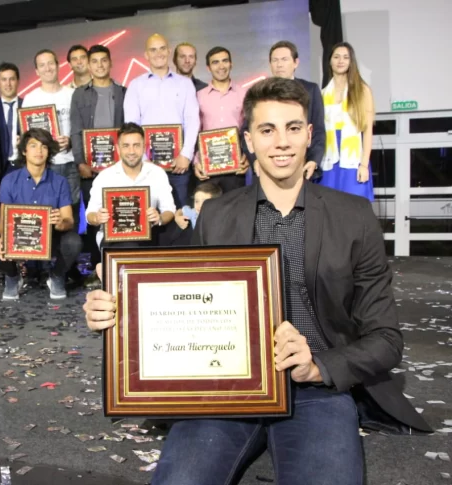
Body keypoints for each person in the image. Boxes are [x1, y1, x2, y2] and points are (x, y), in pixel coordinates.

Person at [84, 77, 431, 485]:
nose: (281, 141)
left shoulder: (354, 217)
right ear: (248, 140)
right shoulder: (217, 216)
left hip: (317, 390)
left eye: (293, 128)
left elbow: (386, 340)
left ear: (308, 136)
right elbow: (186, 306)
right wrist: (118, 312)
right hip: (225, 389)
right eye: (267, 130)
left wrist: (319, 366)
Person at [0, 128, 82, 300]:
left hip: (51, 237)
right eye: (33, 146)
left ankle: (57, 275)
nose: (39, 151)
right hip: (19, 239)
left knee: (73, 242)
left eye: (44, 146)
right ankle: (13, 277)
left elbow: (69, 220)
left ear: (49, 151)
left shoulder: (59, 181)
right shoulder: (9, 180)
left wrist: (60, 222)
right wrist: (3, 238)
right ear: (24, 150)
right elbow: (3, 221)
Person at [70, 44, 126, 287]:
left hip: (120, 167)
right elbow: (75, 130)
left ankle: (122, 264)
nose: (100, 65)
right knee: (94, 219)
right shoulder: (79, 94)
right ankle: (96, 267)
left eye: (104, 60)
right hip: (90, 169)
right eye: (95, 61)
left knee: (121, 215)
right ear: (89, 65)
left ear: (110, 63)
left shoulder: (123, 92)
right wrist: (80, 161)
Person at [124, 34, 200, 208]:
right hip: (146, 166)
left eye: (162, 48)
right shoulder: (135, 85)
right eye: (153, 49)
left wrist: (186, 155)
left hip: (178, 165)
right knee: (149, 217)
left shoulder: (185, 84)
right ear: (146, 55)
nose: (158, 53)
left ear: (169, 51)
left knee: (181, 216)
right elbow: (131, 126)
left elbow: (192, 120)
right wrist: (142, 158)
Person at [86, 123, 175, 250]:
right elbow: (89, 214)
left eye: (136, 145)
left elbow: (169, 210)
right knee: (129, 245)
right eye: (126, 146)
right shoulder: (105, 177)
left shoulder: (158, 173)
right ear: (118, 148)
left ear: (144, 148)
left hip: (148, 236)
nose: (131, 151)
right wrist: (97, 217)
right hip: (112, 239)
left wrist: (159, 218)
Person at [22, 49, 79, 213]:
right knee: (46, 211)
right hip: (46, 165)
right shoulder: (31, 99)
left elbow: (81, 129)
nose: (47, 68)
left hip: (70, 163)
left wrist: (71, 141)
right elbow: (28, 136)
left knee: (72, 211)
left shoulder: (73, 94)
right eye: (42, 65)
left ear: (57, 65)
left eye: (50, 63)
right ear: (36, 71)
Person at [319, 42, 375, 201]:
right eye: (336, 57)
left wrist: (364, 164)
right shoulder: (322, 94)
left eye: (345, 57)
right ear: (330, 61)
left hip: (352, 157)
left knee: (353, 205)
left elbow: (368, 131)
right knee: (328, 206)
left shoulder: (362, 90)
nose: (340, 61)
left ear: (351, 61)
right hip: (328, 157)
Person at [194, 46, 250, 193]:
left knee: (235, 211)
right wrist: (196, 162)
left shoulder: (244, 94)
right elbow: (194, 131)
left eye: (225, 61)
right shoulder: (198, 97)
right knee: (210, 212)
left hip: (236, 168)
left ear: (231, 64)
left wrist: (248, 157)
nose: (221, 66)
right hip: (207, 167)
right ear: (208, 67)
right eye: (215, 62)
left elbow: (250, 129)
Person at [268, 40, 324, 181]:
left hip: (303, 164)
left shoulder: (310, 90)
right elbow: (248, 129)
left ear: (295, 63)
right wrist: (255, 160)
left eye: (284, 59)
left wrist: (314, 160)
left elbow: (318, 129)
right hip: (270, 165)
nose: (279, 64)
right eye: (275, 60)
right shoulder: (261, 92)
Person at [0, 63, 22, 180]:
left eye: (12, 79)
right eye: (4, 79)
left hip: (23, 166)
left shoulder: (28, 106)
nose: (8, 84)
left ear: (18, 81)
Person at [168, 180, 222, 246]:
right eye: (196, 201)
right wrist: (177, 216)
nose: (199, 205)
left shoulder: (220, 218)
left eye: (204, 202)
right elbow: (181, 210)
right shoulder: (193, 212)